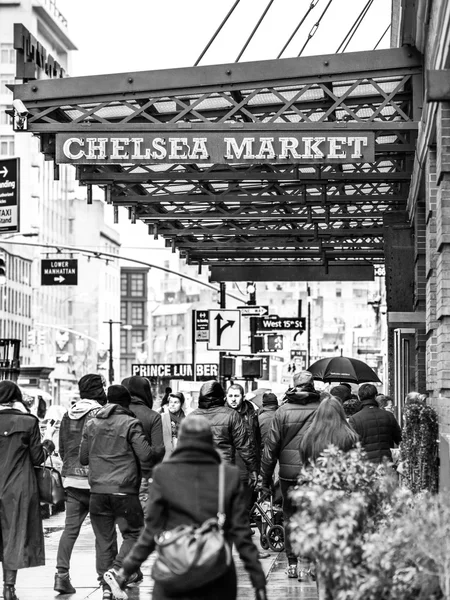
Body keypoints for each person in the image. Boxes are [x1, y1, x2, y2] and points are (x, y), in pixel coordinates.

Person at [103, 415, 268, 600]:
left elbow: (151, 532)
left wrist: (125, 571)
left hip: (174, 571)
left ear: (181, 440)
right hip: (217, 574)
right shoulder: (228, 475)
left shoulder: (163, 474)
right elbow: (242, 533)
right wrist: (258, 580)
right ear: (209, 441)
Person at [79, 385, 153, 600]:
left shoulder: (92, 423)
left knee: (104, 539)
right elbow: (146, 455)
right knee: (136, 534)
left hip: (97, 492)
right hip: (124, 491)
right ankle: (117, 571)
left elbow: (83, 458)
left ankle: (106, 587)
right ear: (126, 403)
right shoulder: (131, 423)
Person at [260, 371, 320, 581]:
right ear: (312, 385)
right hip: (314, 472)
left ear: (294, 386)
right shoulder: (322, 408)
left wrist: (265, 479)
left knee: (290, 518)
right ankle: (310, 564)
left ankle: (293, 564)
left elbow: (270, 448)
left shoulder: (282, 411)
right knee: (313, 517)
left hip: (288, 475)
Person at [0, 380, 55, 600]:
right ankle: (8, 587)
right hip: (18, 487)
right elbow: (38, 457)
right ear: (15, 397)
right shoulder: (28, 421)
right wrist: (49, 440)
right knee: (13, 536)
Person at [54, 374, 107, 595]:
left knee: (70, 530)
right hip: (95, 481)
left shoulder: (68, 414)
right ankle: (105, 578)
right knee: (103, 533)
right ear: (98, 390)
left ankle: (61, 576)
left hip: (72, 481)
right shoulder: (100, 414)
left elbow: (63, 448)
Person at [190, 380, 258, 485]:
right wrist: (253, 468)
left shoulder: (192, 416)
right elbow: (244, 445)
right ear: (222, 396)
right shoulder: (231, 415)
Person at [121, 376, 165, 512]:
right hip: (144, 476)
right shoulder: (153, 416)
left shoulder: (116, 414)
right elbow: (158, 450)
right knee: (143, 520)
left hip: (117, 475)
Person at [226, 384, 261, 509]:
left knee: (245, 506)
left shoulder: (251, 414)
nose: (233, 399)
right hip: (228, 466)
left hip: (247, 467)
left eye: (236, 396)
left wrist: (256, 467)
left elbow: (256, 440)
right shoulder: (223, 414)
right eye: (230, 396)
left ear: (243, 397)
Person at [349, 383, 402, 464]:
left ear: (359, 398)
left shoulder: (354, 419)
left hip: (366, 465)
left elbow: (352, 445)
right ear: (375, 397)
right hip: (386, 462)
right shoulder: (388, 416)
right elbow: (399, 439)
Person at [299, 396, 359, 463]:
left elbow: (305, 461)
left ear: (319, 413)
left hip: (315, 472)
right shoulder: (349, 436)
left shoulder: (308, 436)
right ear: (340, 413)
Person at [161, 391, 186, 459]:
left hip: (180, 455)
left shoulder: (186, 419)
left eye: (176, 402)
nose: (172, 404)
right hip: (165, 456)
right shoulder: (161, 416)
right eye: (171, 402)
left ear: (181, 404)